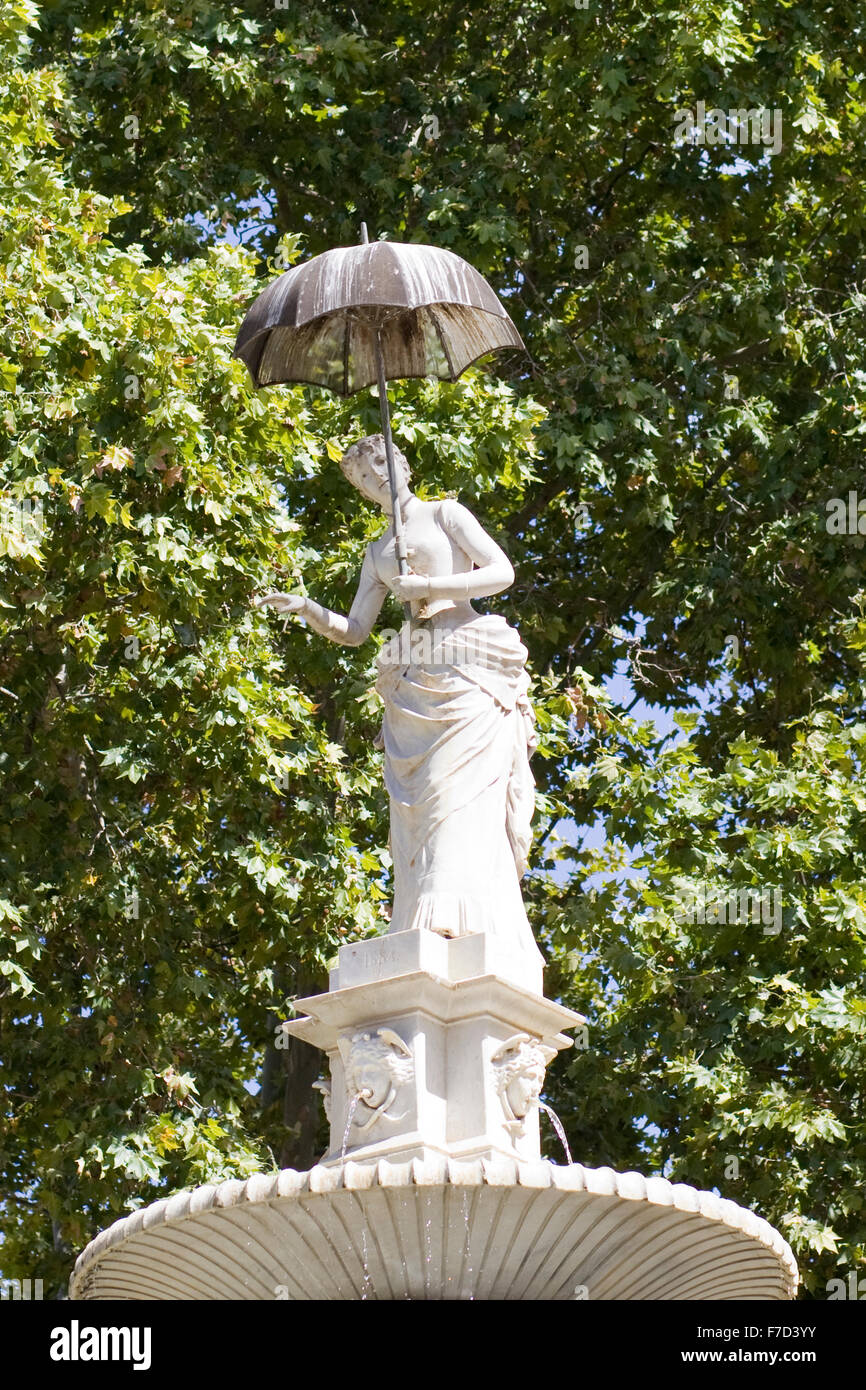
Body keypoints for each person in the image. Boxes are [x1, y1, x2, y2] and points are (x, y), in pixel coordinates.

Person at [256, 434, 542, 970]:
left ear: (401, 462)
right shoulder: (377, 552)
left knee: (461, 797)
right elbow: (357, 629)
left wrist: (431, 584)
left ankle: (460, 919)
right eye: (364, 477)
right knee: (423, 803)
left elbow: (501, 572)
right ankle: (420, 915)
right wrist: (307, 608)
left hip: (468, 664)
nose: (376, 478)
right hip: (417, 673)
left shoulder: (444, 514)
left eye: (381, 463)